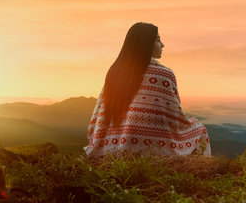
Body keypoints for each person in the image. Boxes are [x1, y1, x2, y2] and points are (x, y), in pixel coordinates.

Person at [84, 22, 211, 157]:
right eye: (157, 40)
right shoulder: (164, 74)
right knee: (200, 129)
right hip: (151, 144)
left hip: (110, 143)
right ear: (145, 44)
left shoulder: (115, 71)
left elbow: (100, 113)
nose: (162, 45)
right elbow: (175, 117)